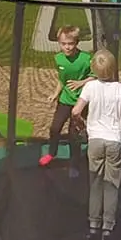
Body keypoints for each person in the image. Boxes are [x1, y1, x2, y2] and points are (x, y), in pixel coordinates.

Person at [71, 48, 121, 240]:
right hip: (114, 139)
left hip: (95, 139)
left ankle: (93, 225)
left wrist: (82, 125)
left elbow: (75, 111)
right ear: (113, 68)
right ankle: (108, 227)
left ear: (94, 69)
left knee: (95, 182)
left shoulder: (89, 87)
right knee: (112, 184)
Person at [39, 25, 93, 174]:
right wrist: (56, 93)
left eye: (70, 44)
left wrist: (81, 83)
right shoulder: (59, 59)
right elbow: (62, 80)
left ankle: (74, 164)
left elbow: (95, 77)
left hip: (80, 102)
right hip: (64, 100)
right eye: (63, 44)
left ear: (76, 43)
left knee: (73, 135)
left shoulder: (86, 59)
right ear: (59, 43)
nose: (67, 47)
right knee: (54, 128)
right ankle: (52, 152)